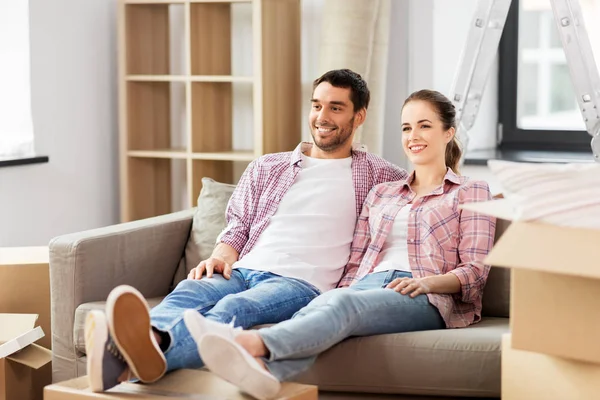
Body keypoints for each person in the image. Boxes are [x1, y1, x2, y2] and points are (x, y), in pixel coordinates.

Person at [83, 69, 408, 392]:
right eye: (316, 105)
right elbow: (237, 226)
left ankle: (133, 355)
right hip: (242, 268)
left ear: (359, 115)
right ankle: (142, 350)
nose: (322, 117)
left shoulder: (382, 176)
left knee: (233, 309)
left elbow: (431, 202)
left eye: (336, 107)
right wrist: (220, 256)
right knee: (188, 292)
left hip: (301, 283)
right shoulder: (268, 166)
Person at [189, 89, 497, 400]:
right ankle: (266, 373)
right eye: (406, 127)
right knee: (321, 308)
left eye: (424, 125)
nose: (413, 136)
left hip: (426, 294)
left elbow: (476, 270)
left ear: (449, 132)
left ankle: (251, 345)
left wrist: (427, 283)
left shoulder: (472, 191)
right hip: (370, 283)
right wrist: (338, 289)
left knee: (342, 305)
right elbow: (357, 261)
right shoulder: (383, 192)